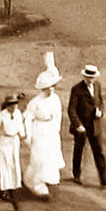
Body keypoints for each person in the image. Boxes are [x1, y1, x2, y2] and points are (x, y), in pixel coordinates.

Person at [24, 52, 65, 199]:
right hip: (39, 131)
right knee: (39, 157)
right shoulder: (35, 103)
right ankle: (35, 183)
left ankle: (41, 179)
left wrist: (57, 128)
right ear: (42, 88)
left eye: (53, 87)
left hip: (51, 131)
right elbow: (27, 119)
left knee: (50, 157)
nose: (51, 90)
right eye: (48, 88)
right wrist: (28, 136)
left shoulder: (55, 99)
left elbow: (59, 114)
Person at [68, 64, 106, 187]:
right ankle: (76, 175)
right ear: (84, 77)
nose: (90, 79)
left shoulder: (97, 86)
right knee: (79, 150)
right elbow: (71, 109)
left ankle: (104, 178)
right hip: (81, 126)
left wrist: (100, 111)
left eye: (92, 77)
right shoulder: (76, 89)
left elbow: (101, 102)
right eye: (88, 77)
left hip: (95, 125)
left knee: (99, 151)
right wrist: (78, 125)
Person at [0, 93, 26, 211]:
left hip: (14, 143)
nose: (13, 107)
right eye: (11, 105)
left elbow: (20, 126)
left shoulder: (18, 114)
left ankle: (1, 191)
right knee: (6, 169)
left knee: (14, 168)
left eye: (15, 105)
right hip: (4, 144)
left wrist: (22, 135)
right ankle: (14, 202)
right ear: (6, 106)